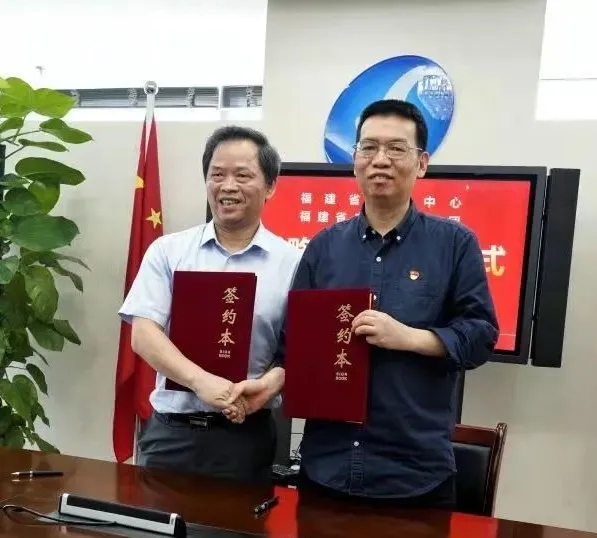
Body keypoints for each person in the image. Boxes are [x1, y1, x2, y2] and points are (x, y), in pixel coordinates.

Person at [286, 99, 499, 509]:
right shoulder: (323, 247)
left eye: (396, 148)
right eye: (368, 147)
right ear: (354, 160)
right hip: (326, 467)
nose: (380, 159)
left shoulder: (455, 244)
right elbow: (292, 343)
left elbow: (480, 336)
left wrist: (410, 338)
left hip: (415, 474)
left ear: (422, 163)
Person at [118, 125, 302, 484]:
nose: (228, 186)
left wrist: (268, 385)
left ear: (270, 186)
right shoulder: (169, 251)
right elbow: (143, 334)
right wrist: (200, 382)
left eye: (242, 175)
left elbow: (297, 351)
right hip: (170, 436)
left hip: (245, 437)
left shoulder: (293, 264)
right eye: (217, 175)